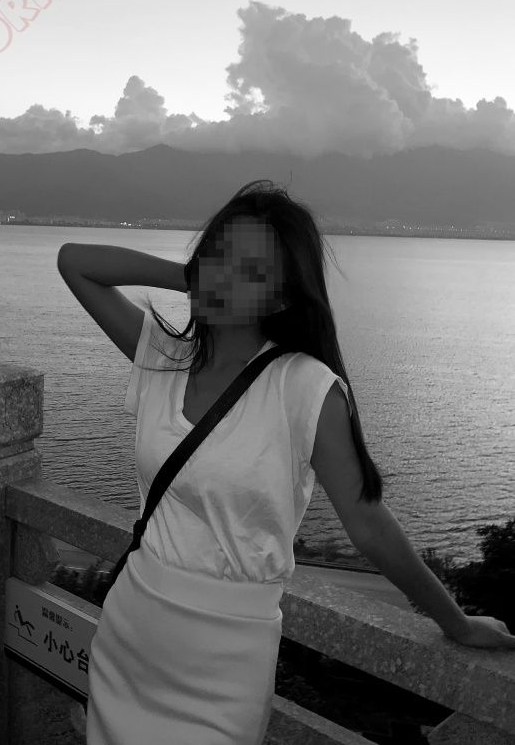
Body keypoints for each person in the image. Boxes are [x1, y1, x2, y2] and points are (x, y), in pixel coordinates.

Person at [56, 178, 515, 745]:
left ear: (280, 299)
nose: (224, 277)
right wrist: (193, 277)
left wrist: (456, 622)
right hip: (130, 631)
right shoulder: (163, 358)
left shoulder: (305, 388)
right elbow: (75, 262)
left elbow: (369, 524)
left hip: (226, 661)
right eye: (219, 255)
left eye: (251, 272)